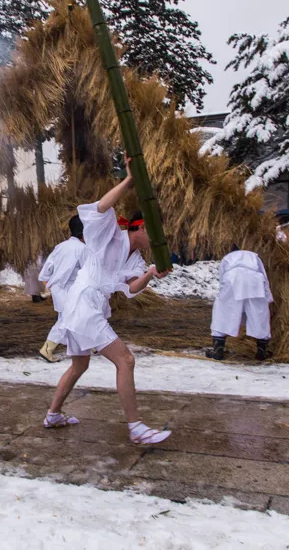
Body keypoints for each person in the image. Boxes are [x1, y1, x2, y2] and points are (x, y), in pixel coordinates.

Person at [44, 160, 172, 445]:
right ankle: (136, 427)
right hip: (83, 303)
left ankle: (53, 414)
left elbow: (131, 287)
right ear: (139, 228)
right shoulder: (109, 233)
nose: (158, 238)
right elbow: (101, 207)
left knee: (79, 366)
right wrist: (128, 181)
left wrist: (152, 272)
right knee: (125, 360)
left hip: (88, 306)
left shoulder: (137, 259)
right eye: (155, 231)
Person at [205, 247, 274, 361]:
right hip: (255, 280)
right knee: (259, 313)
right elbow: (264, 275)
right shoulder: (255, 256)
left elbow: (222, 277)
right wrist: (267, 297)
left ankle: (218, 350)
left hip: (232, 279)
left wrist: (224, 295)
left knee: (223, 311)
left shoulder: (227, 257)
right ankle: (262, 351)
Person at [37, 215, 86, 363]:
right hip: (70, 290)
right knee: (67, 321)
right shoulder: (83, 249)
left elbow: (45, 273)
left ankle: (88, 345)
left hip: (58, 289)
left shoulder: (60, 246)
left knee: (73, 318)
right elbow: (89, 272)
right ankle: (47, 350)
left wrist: (50, 287)